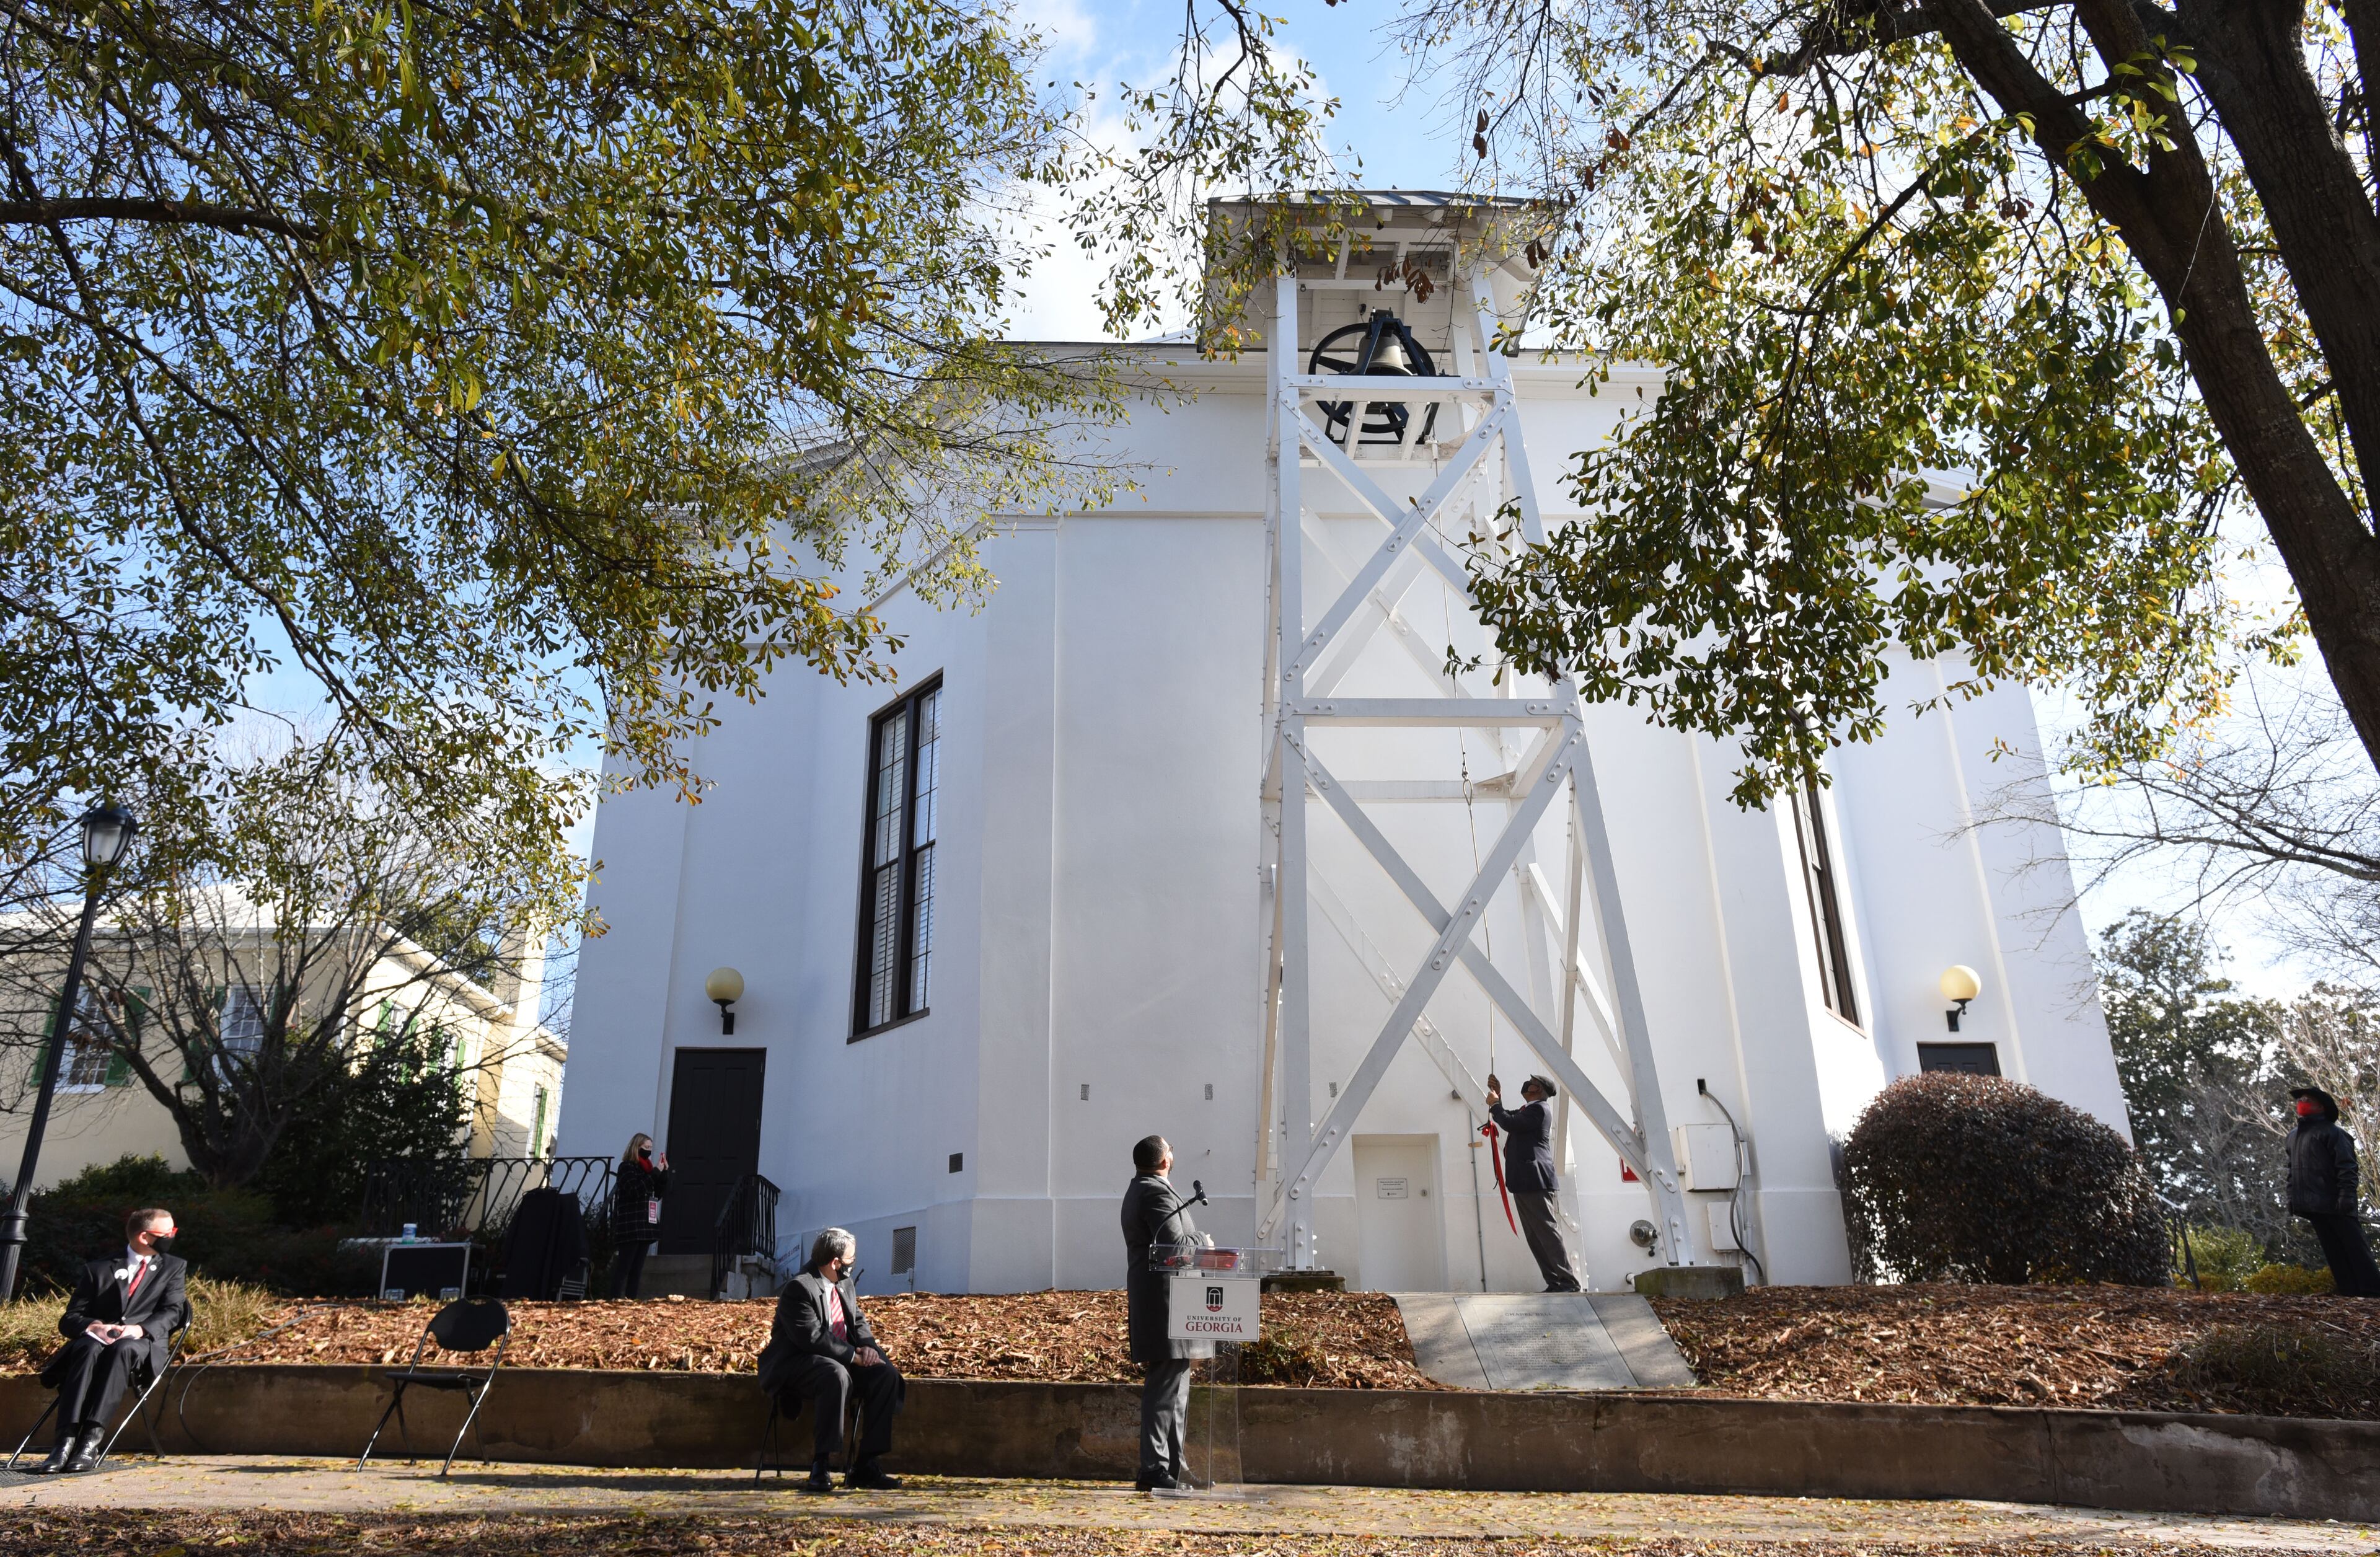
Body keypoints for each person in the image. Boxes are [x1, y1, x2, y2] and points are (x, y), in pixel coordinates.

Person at [35, 1206, 191, 1474]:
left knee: (124, 1348)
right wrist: (95, 1326)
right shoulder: (98, 1269)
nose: (172, 1236)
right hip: (97, 1346)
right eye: (169, 1232)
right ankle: (64, 1442)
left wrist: (139, 1329)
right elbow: (70, 1319)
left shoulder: (173, 1267)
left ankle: (89, 1442)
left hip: (140, 1345)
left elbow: (174, 1312)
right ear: (145, 1237)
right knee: (86, 1348)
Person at [756, 1228, 905, 1492]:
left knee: (885, 1375)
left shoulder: (844, 1283)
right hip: (796, 1362)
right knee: (835, 1374)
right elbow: (811, 1337)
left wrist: (868, 1348)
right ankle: (821, 1464)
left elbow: (856, 1321)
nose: (853, 1263)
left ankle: (866, 1464)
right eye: (851, 1259)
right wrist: (852, 1356)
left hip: (838, 1358)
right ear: (835, 1262)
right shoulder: (799, 1288)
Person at [1121, 1134, 1212, 1492]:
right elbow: (1173, 1247)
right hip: (1166, 1301)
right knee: (1164, 1388)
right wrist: (1203, 1243)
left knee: (1178, 1388)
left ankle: (1175, 1467)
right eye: (1170, 1147)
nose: (1174, 1151)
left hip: (1175, 1301)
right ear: (1164, 1161)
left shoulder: (1146, 1187)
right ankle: (1153, 1469)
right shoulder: (1154, 1192)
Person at [1488, 1072, 1584, 1293]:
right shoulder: (1530, 1110)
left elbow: (1509, 1122)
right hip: (1524, 1181)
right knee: (1535, 1235)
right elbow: (1508, 1116)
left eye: (1532, 1083)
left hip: (1534, 1180)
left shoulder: (1539, 1110)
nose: (1527, 1085)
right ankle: (1554, 1282)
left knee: (1546, 1232)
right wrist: (1498, 1099)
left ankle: (1568, 1282)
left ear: (1538, 1089)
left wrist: (1495, 1105)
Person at [2287, 1086, 2380, 1297]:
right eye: (2300, 1099)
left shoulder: (2334, 1133)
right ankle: (2348, 1290)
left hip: (2336, 1202)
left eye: (2307, 1099)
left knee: (2355, 1247)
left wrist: (2346, 1196)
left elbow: (2348, 1167)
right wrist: (2292, 1197)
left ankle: (2373, 1291)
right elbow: (2291, 1170)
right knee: (2333, 1249)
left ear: (2322, 1107)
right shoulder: (2293, 1136)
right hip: (2311, 1204)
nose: (2301, 1102)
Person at [607, 1133, 670, 1298]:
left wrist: (663, 1175)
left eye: (650, 1148)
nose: (649, 1151)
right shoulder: (627, 1167)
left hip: (645, 1224)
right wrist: (655, 1173)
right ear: (636, 1147)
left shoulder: (648, 1169)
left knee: (637, 1269)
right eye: (646, 1148)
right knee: (624, 1267)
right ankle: (614, 1298)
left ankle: (631, 1299)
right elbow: (636, 1190)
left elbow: (656, 1194)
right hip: (631, 1223)